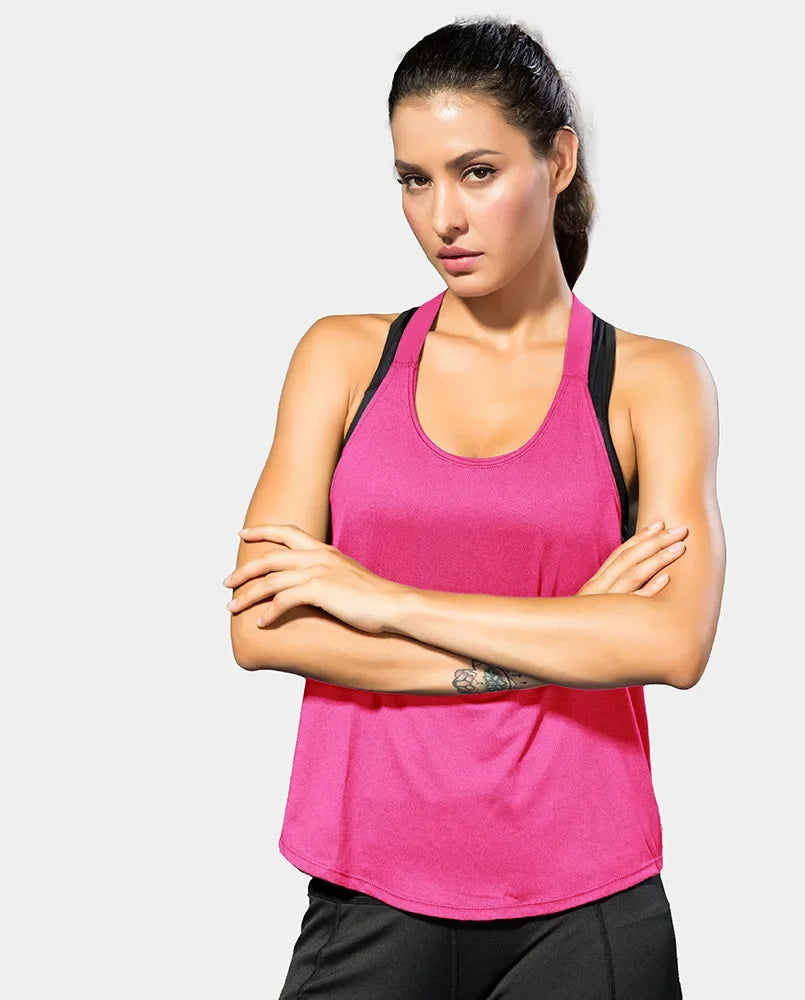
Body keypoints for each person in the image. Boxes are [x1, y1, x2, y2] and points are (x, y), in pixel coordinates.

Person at [224, 14, 724, 999]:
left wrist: (384, 601)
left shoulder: (651, 381)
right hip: (370, 889)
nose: (442, 217)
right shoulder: (342, 358)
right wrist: (574, 634)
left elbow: (672, 644)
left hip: (588, 905)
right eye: (414, 180)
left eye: (478, 172)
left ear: (559, 160)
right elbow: (261, 625)